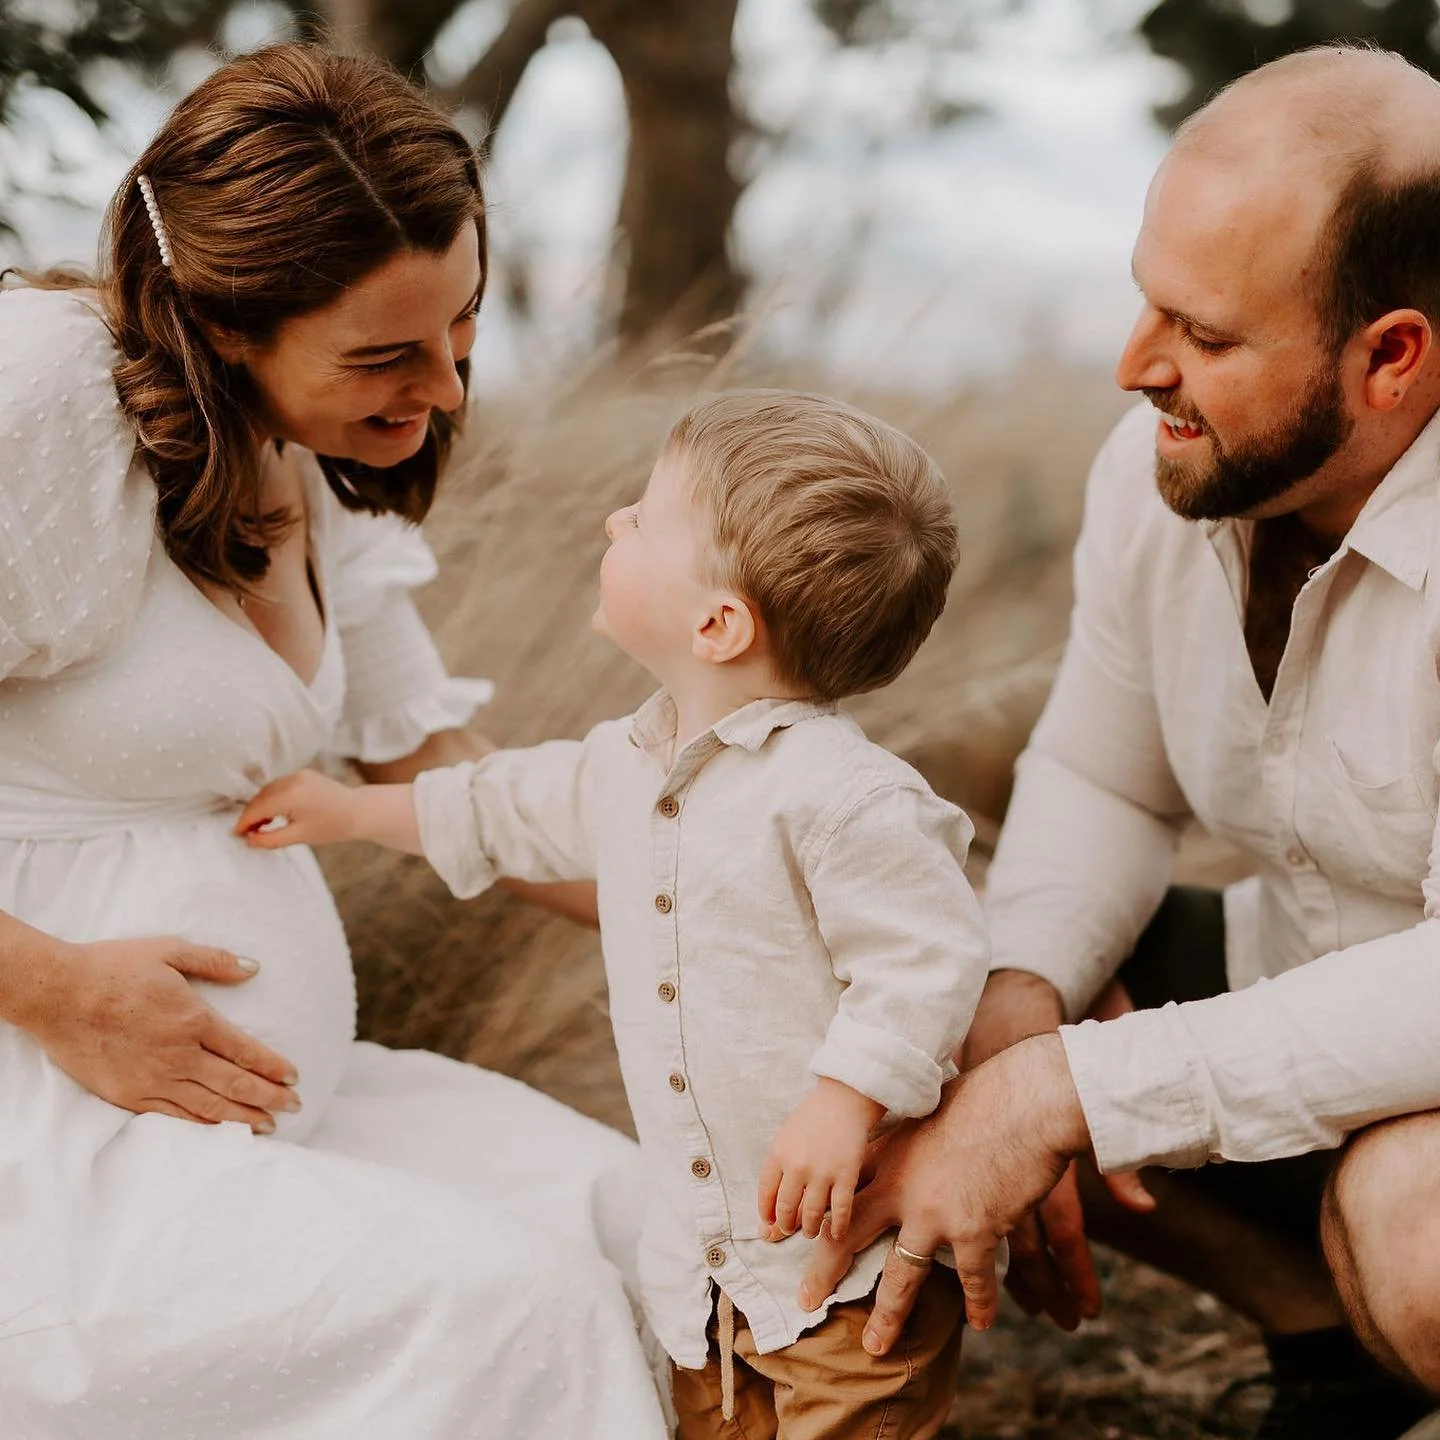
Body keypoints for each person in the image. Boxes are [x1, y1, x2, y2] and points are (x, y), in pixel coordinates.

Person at [0, 43, 672, 1438]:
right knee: (519, 1316)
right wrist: (56, 988)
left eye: (464, 333)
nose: (444, 391)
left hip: (272, 1100)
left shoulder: (306, 448)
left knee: (654, 1228)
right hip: (49, 1124)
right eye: (386, 354)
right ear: (222, 316)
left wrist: (741, 899)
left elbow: (437, 776)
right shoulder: (46, 401)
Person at [797, 43, 1440, 1440]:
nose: (1134, 365)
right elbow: (1105, 775)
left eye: (1204, 337)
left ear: (1390, 357)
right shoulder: (1158, 477)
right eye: (1146, 298)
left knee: (1420, 1226)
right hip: (1308, 993)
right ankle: (1327, 1348)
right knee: (943, 1008)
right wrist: (1020, 1005)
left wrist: (1064, 1097)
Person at [234, 389, 992, 1439]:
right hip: (704, 1267)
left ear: (718, 624)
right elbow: (500, 805)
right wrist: (353, 808)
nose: (613, 523)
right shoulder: (627, 764)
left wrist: (845, 1099)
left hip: (840, 1267)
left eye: (642, 517)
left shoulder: (842, 797)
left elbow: (929, 959)